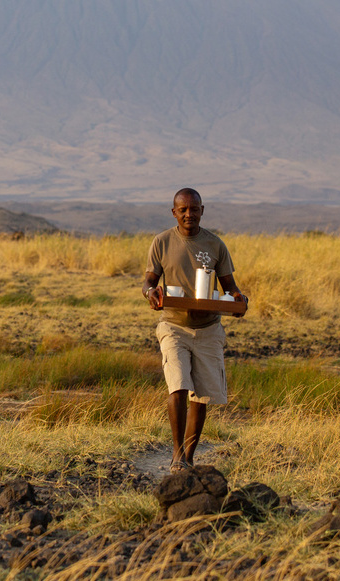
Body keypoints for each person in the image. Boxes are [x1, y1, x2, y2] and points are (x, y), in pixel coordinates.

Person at [143, 188, 247, 472]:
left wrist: (239, 300)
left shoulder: (215, 245)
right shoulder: (162, 242)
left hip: (208, 328)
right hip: (173, 325)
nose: (189, 214)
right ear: (174, 212)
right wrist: (151, 293)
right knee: (178, 385)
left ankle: (188, 457)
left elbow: (230, 288)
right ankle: (177, 454)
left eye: (194, 209)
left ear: (203, 210)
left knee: (201, 395)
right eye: (183, 209)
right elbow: (149, 282)